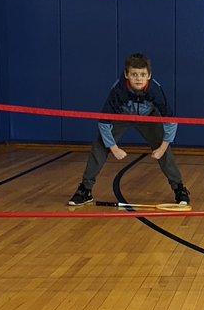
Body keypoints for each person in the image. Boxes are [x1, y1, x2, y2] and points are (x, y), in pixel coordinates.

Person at [68, 53, 189, 206]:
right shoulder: (118, 90)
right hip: (121, 118)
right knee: (99, 146)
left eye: (143, 75)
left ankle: (179, 188)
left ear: (149, 75)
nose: (138, 78)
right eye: (134, 74)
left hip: (148, 119)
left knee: (164, 150)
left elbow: (171, 120)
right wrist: (113, 147)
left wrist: (162, 148)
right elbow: (104, 122)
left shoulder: (155, 90)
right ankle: (85, 190)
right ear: (126, 74)